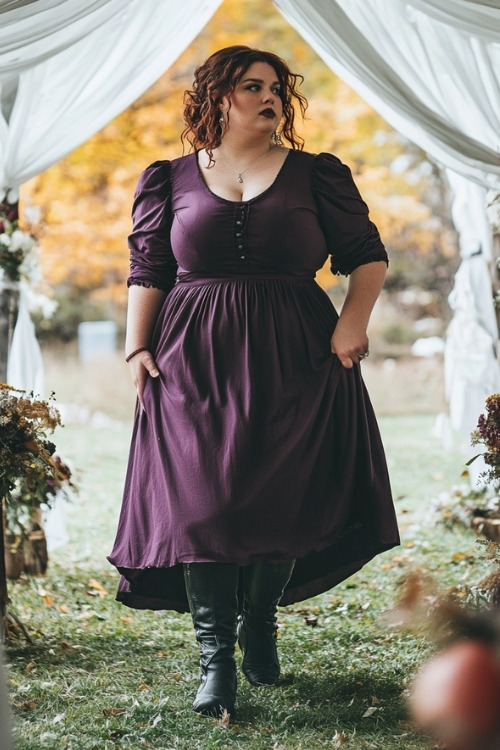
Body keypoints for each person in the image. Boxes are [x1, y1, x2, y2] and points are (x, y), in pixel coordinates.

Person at [108, 45, 400, 719]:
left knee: (280, 498)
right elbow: (149, 268)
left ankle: (260, 623)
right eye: (251, 86)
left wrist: (352, 324)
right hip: (191, 358)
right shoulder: (168, 179)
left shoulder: (318, 176)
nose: (269, 97)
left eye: (276, 88)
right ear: (217, 98)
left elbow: (367, 258)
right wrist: (135, 349)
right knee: (201, 504)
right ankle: (216, 661)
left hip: (298, 353)